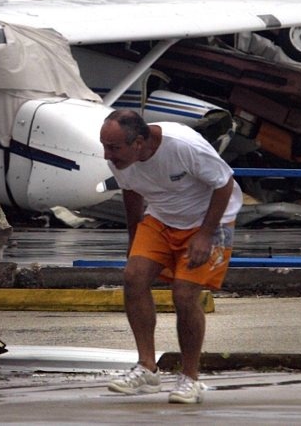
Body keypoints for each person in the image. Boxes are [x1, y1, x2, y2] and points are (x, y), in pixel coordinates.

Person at [99, 109, 242, 404]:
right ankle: (147, 367)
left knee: (184, 294)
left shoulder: (183, 145)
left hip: (209, 221)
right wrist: (134, 237)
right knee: (133, 277)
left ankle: (190, 378)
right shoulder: (120, 158)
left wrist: (205, 234)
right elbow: (131, 191)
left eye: (113, 148)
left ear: (139, 142)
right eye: (104, 146)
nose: (106, 156)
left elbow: (224, 182)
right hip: (161, 219)